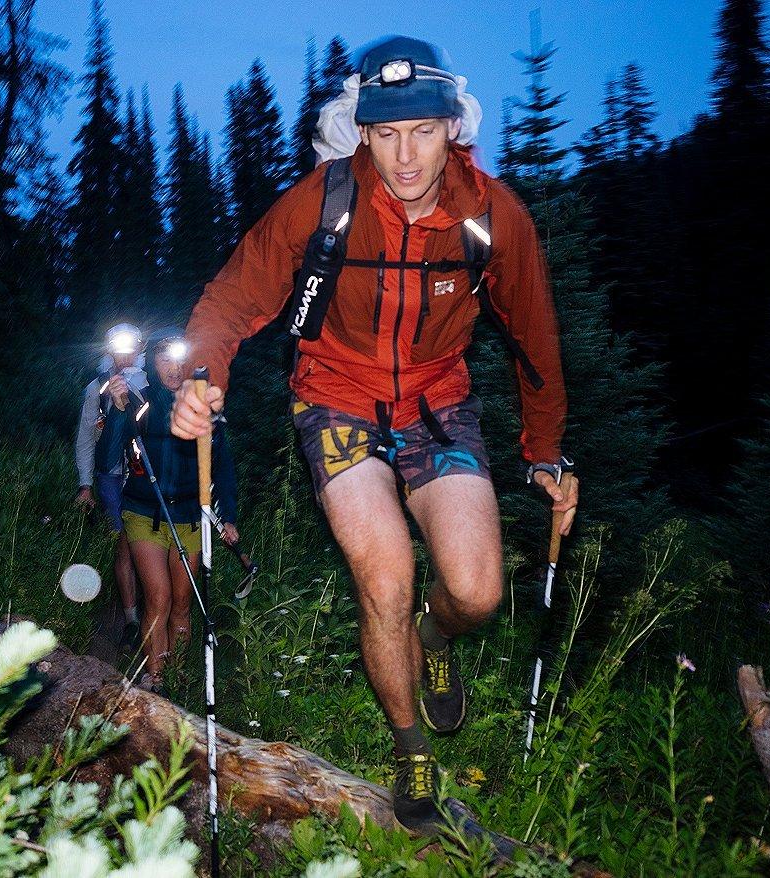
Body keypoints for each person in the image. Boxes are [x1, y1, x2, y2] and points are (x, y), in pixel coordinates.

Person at [170, 36, 578, 836]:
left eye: (422, 130)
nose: (404, 155)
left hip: (439, 402)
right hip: (334, 397)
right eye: (384, 133)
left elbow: (536, 340)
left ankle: (434, 637)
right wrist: (198, 377)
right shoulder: (323, 201)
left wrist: (543, 453)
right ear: (360, 131)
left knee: (475, 591)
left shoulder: (493, 216)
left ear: (452, 126)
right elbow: (230, 297)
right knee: (384, 578)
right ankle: (408, 747)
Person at [105, 329, 239, 691]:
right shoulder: (138, 403)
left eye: (180, 359)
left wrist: (229, 515)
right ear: (153, 363)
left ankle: (177, 680)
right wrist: (118, 412)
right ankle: (156, 680)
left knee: (182, 603)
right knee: (160, 597)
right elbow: (108, 456)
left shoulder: (203, 406)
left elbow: (222, 464)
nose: (173, 368)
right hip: (143, 514)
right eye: (165, 359)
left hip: (190, 518)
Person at [75, 323, 148, 648]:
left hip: (142, 473)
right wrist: (85, 484)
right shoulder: (96, 388)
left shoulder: (150, 383)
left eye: (130, 347)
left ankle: (150, 610)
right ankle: (131, 620)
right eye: (118, 348)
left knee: (143, 541)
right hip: (109, 475)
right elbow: (86, 438)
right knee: (122, 540)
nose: (124, 355)